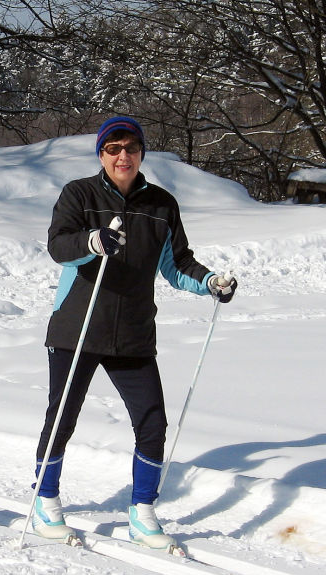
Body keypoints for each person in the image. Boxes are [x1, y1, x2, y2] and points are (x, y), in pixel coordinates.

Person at [32, 115, 236, 549]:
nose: (122, 156)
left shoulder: (161, 205)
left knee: (152, 422)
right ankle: (45, 502)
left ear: (142, 153)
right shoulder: (79, 194)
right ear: (101, 154)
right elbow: (58, 246)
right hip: (78, 327)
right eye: (113, 148)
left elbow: (177, 264)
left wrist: (211, 282)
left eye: (131, 148)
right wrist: (93, 242)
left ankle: (143, 513)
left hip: (133, 332)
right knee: (62, 416)